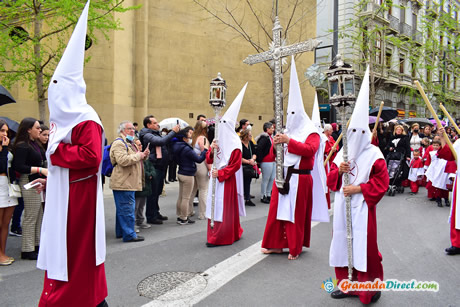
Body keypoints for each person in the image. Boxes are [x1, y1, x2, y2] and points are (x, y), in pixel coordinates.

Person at [36, 4, 108, 305]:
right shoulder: (66, 121)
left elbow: (91, 157)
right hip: (66, 195)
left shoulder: (86, 119)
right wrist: (52, 181)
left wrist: (55, 149)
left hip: (80, 200)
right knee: (63, 249)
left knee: (76, 251)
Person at [328, 67, 388, 304]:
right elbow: (331, 177)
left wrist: (359, 188)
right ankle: (346, 285)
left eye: (362, 131)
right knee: (342, 243)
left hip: (363, 208)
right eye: (354, 130)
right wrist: (339, 171)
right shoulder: (343, 152)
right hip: (344, 207)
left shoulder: (375, 154)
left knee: (366, 248)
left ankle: (368, 288)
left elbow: (381, 183)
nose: (358, 134)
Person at [261, 58, 325, 260]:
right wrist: (278, 142)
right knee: (276, 213)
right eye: (289, 113)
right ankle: (276, 245)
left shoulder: (311, 132)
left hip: (301, 178)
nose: (291, 116)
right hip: (283, 177)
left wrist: (289, 140)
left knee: (295, 215)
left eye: (294, 113)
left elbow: (310, 150)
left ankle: (295, 248)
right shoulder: (287, 130)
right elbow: (276, 153)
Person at [206, 83, 248, 247]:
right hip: (215, 177)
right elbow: (210, 160)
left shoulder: (235, 143)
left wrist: (221, 174)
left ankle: (222, 236)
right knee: (213, 206)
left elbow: (235, 165)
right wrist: (211, 149)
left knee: (223, 209)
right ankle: (215, 234)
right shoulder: (217, 140)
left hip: (226, 180)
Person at [12, 118, 46, 260]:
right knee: (31, 215)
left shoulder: (34, 144)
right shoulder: (22, 146)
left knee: (38, 214)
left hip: (36, 180)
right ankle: (27, 248)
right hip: (28, 181)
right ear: (28, 129)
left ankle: (36, 244)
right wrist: (40, 169)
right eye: (37, 128)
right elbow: (18, 166)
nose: (39, 130)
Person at [110, 121, 150, 241]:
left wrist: (144, 154)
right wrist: (139, 155)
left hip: (127, 182)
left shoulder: (129, 142)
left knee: (123, 209)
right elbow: (122, 160)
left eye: (133, 128)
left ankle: (121, 232)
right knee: (127, 209)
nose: (133, 130)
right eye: (129, 129)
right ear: (122, 130)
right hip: (124, 182)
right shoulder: (119, 143)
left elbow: (136, 157)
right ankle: (129, 235)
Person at [139, 115, 179, 225]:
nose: (158, 124)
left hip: (161, 166)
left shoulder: (156, 133)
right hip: (153, 166)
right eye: (155, 123)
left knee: (157, 191)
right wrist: (173, 132)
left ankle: (156, 212)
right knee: (152, 193)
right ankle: (151, 216)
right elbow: (161, 142)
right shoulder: (147, 135)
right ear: (148, 125)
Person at [171, 126, 207, 225]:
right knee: (186, 198)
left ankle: (180, 215)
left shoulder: (177, 145)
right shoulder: (186, 148)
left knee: (181, 196)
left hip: (181, 172)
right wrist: (205, 151)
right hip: (188, 174)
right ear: (184, 137)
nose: (191, 136)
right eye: (190, 134)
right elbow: (198, 159)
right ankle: (184, 218)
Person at [0, 120, 18, 266]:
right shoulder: (3, 149)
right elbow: (1, 166)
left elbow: (11, 167)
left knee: (6, 223)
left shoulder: (6, 147)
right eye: (1, 131)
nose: (4, 134)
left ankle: (3, 251)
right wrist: (4, 149)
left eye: (6, 131)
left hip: (8, 185)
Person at [190, 120, 211, 219]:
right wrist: (210, 168)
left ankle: (189, 211)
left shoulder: (193, 138)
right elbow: (206, 154)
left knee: (193, 189)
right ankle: (203, 213)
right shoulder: (203, 139)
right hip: (201, 164)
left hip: (193, 164)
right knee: (203, 189)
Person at [134, 138, 153, 233]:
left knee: (141, 205)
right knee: (135, 206)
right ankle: (134, 223)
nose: (140, 146)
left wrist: (151, 174)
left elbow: (150, 167)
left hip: (145, 185)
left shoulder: (144, 157)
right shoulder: (135, 156)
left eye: (141, 144)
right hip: (137, 184)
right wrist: (147, 174)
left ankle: (140, 220)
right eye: (138, 144)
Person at [446, 134, 460, 255]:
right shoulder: (459, 142)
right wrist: (442, 137)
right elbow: (448, 154)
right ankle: (457, 243)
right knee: (458, 214)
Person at [256, 122, 275, 204]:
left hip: (273, 160)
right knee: (266, 179)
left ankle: (268, 194)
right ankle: (263, 195)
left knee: (272, 178)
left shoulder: (271, 137)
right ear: (267, 129)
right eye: (272, 128)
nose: (273, 129)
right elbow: (259, 148)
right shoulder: (264, 138)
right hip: (266, 161)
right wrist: (260, 159)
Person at [240, 129, 257, 207]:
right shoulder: (239, 144)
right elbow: (239, 157)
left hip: (249, 165)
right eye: (250, 135)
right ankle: (240, 198)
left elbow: (254, 153)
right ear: (246, 136)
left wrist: (253, 159)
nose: (251, 136)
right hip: (241, 166)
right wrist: (248, 161)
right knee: (241, 183)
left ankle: (247, 198)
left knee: (248, 182)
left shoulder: (250, 143)